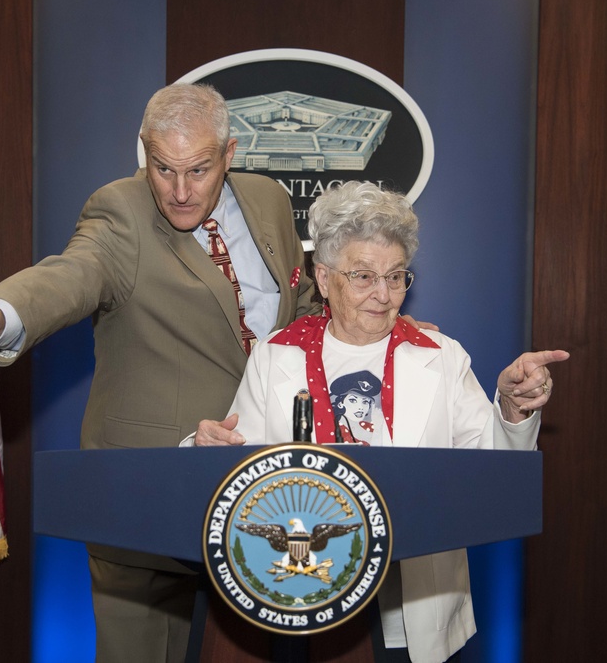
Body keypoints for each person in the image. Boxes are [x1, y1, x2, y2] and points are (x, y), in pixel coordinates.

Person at [0, 83, 320, 662]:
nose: (181, 190)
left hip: (258, 487)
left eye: (198, 169)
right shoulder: (120, 211)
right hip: (146, 488)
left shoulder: (267, 199)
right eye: (163, 168)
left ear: (230, 153)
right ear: (144, 151)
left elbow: (307, 305)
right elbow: (70, 275)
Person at [190, 181, 570, 663]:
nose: (383, 295)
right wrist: (204, 448)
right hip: (308, 595)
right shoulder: (276, 356)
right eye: (363, 276)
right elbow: (240, 475)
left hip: (408, 613)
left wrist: (514, 410)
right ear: (323, 278)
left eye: (396, 277)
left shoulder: (440, 355)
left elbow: (492, 477)